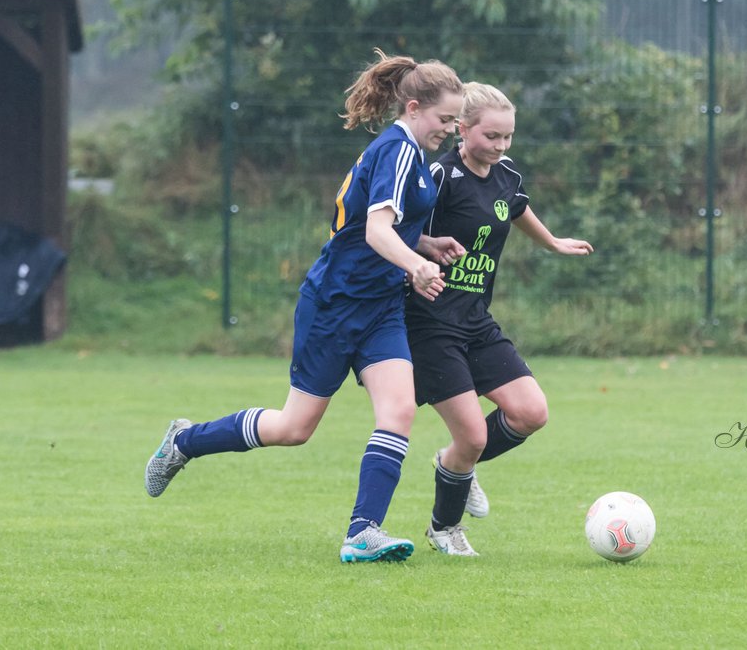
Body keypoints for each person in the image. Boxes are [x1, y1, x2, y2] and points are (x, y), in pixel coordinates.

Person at [145, 49, 466, 563]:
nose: (451, 129)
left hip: (380, 307)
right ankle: (186, 440)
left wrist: (425, 246)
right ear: (412, 108)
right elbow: (375, 230)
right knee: (294, 428)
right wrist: (417, 266)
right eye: (445, 119)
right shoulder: (399, 152)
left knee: (399, 409)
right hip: (335, 304)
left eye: (456, 121)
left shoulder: (416, 158)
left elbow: (385, 227)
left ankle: (363, 532)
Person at [406, 83, 593, 556]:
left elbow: (517, 208)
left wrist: (551, 242)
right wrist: (416, 270)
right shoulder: (439, 177)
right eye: (491, 136)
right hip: (429, 323)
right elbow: (401, 233)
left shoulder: (506, 173)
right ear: (462, 129)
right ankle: (444, 529)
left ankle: (455, 465)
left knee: (531, 412)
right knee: (470, 434)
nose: (501, 146)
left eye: (508, 137)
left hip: (475, 320)